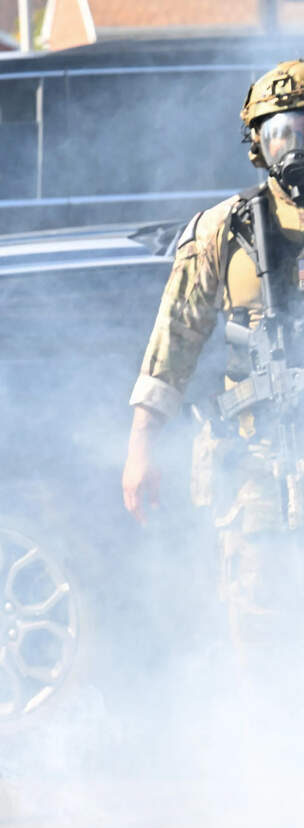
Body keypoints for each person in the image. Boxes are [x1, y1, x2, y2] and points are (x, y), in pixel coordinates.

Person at [122, 60, 304, 680]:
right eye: (281, 131)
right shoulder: (223, 230)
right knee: (260, 632)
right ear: (256, 143)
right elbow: (172, 343)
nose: (295, 145)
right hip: (255, 466)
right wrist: (141, 445)